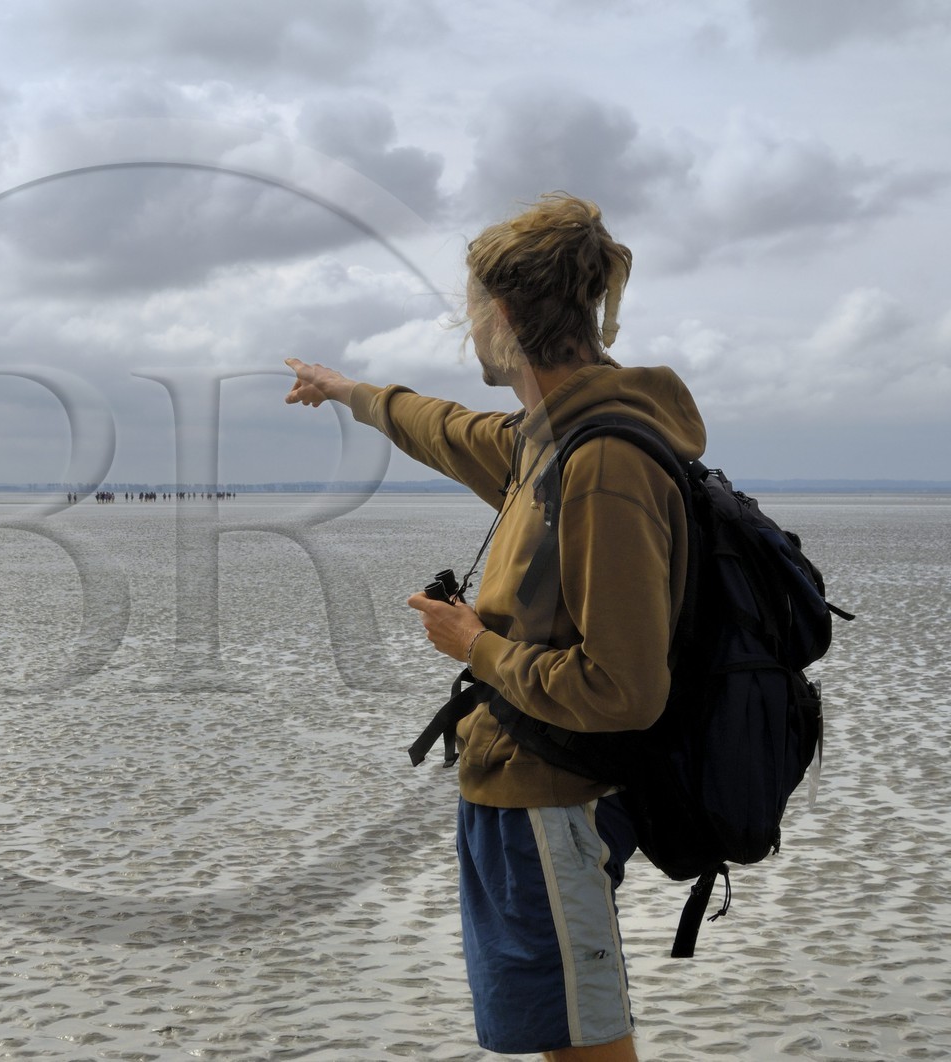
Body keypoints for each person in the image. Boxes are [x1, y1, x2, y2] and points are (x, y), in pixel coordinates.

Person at [284, 192, 706, 1061]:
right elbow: (443, 429)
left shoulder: (601, 462)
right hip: (520, 795)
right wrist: (348, 393)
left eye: (468, 311)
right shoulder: (545, 439)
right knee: (563, 1038)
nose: (466, 330)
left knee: (590, 1042)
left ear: (503, 315)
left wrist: (473, 644)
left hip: (557, 799)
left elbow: (625, 690)